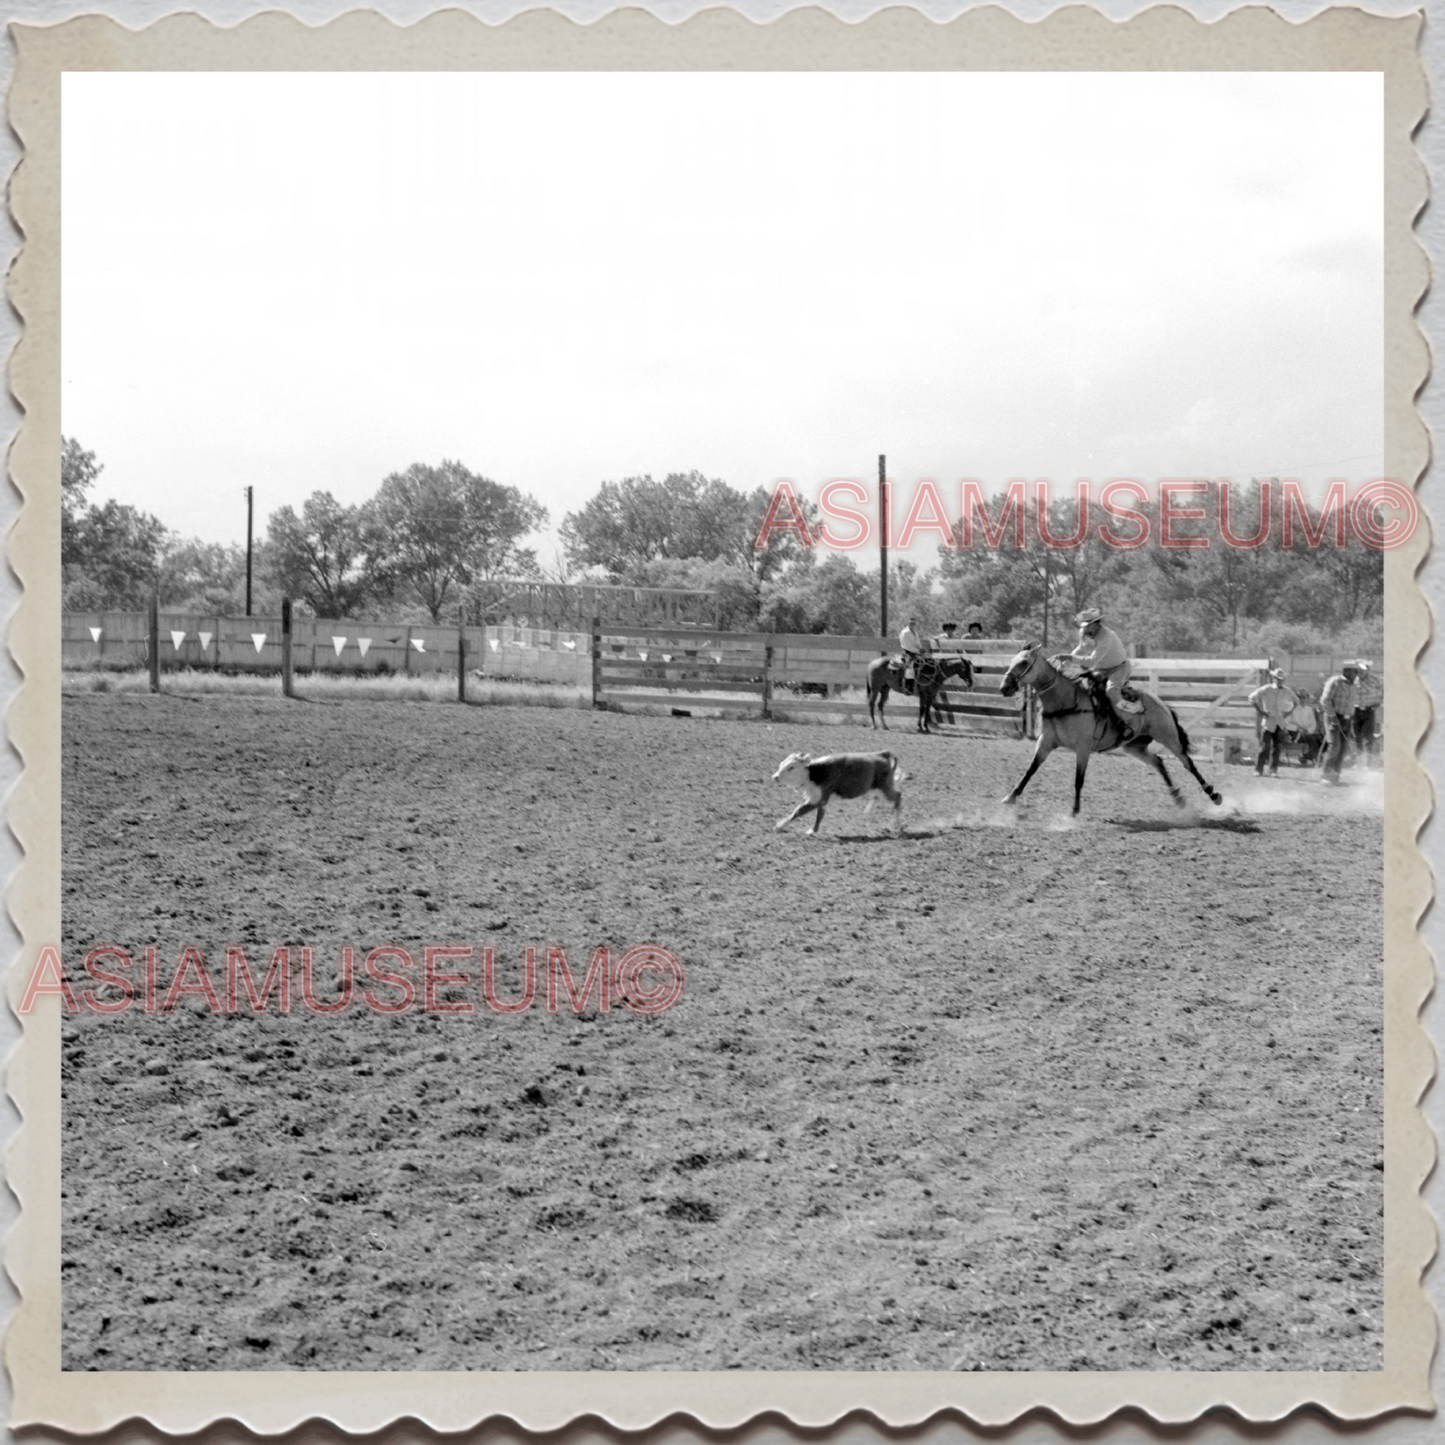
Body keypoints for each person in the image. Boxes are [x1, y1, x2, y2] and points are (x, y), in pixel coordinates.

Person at [1069, 607, 1135, 735]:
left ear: (1095, 624)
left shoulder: (1106, 636)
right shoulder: (1084, 632)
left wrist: (1070, 658)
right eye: (1084, 626)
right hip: (1101, 669)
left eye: (1088, 626)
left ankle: (1127, 721)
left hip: (1119, 668)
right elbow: (1081, 648)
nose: (1085, 628)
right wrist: (1070, 657)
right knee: (1082, 687)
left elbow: (1093, 661)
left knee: (1111, 691)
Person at [1248, 667, 1299, 778]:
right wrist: (1261, 711)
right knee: (1264, 746)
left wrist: (1288, 713)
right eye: (1277, 678)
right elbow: (1251, 698)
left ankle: (1273, 770)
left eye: (1281, 679)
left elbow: (1296, 701)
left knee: (1277, 747)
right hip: (1268, 721)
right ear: (1274, 678)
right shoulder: (1266, 689)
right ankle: (1258, 769)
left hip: (1280, 722)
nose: (1279, 680)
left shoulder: (1287, 691)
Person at [1319, 661, 1362, 784]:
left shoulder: (1354, 685)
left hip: (1347, 719)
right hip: (1334, 717)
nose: (1357, 674)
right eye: (1355, 671)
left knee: (1343, 749)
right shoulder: (1334, 682)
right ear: (1347, 671)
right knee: (1335, 746)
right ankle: (1325, 776)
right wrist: (1333, 717)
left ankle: (1335, 776)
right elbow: (1325, 700)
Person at [1352, 659, 1383, 765]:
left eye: (1363, 669)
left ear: (1368, 670)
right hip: (1355, 711)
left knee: (1368, 738)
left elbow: (1383, 691)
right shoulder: (1353, 680)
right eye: (1359, 669)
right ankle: (1359, 761)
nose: (1360, 672)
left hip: (1369, 711)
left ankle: (1368, 762)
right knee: (1357, 737)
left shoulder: (1375, 680)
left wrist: (1378, 703)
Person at [899, 617, 929, 692]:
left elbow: (918, 643)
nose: (913, 625)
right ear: (908, 623)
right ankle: (908, 686)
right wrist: (918, 651)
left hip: (915, 652)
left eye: (914, 623)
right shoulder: (904, 633)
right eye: (911, 623)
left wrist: (921, 649)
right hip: (907, 652)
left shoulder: (915, 632)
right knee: (910, 666)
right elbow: (907, 646)